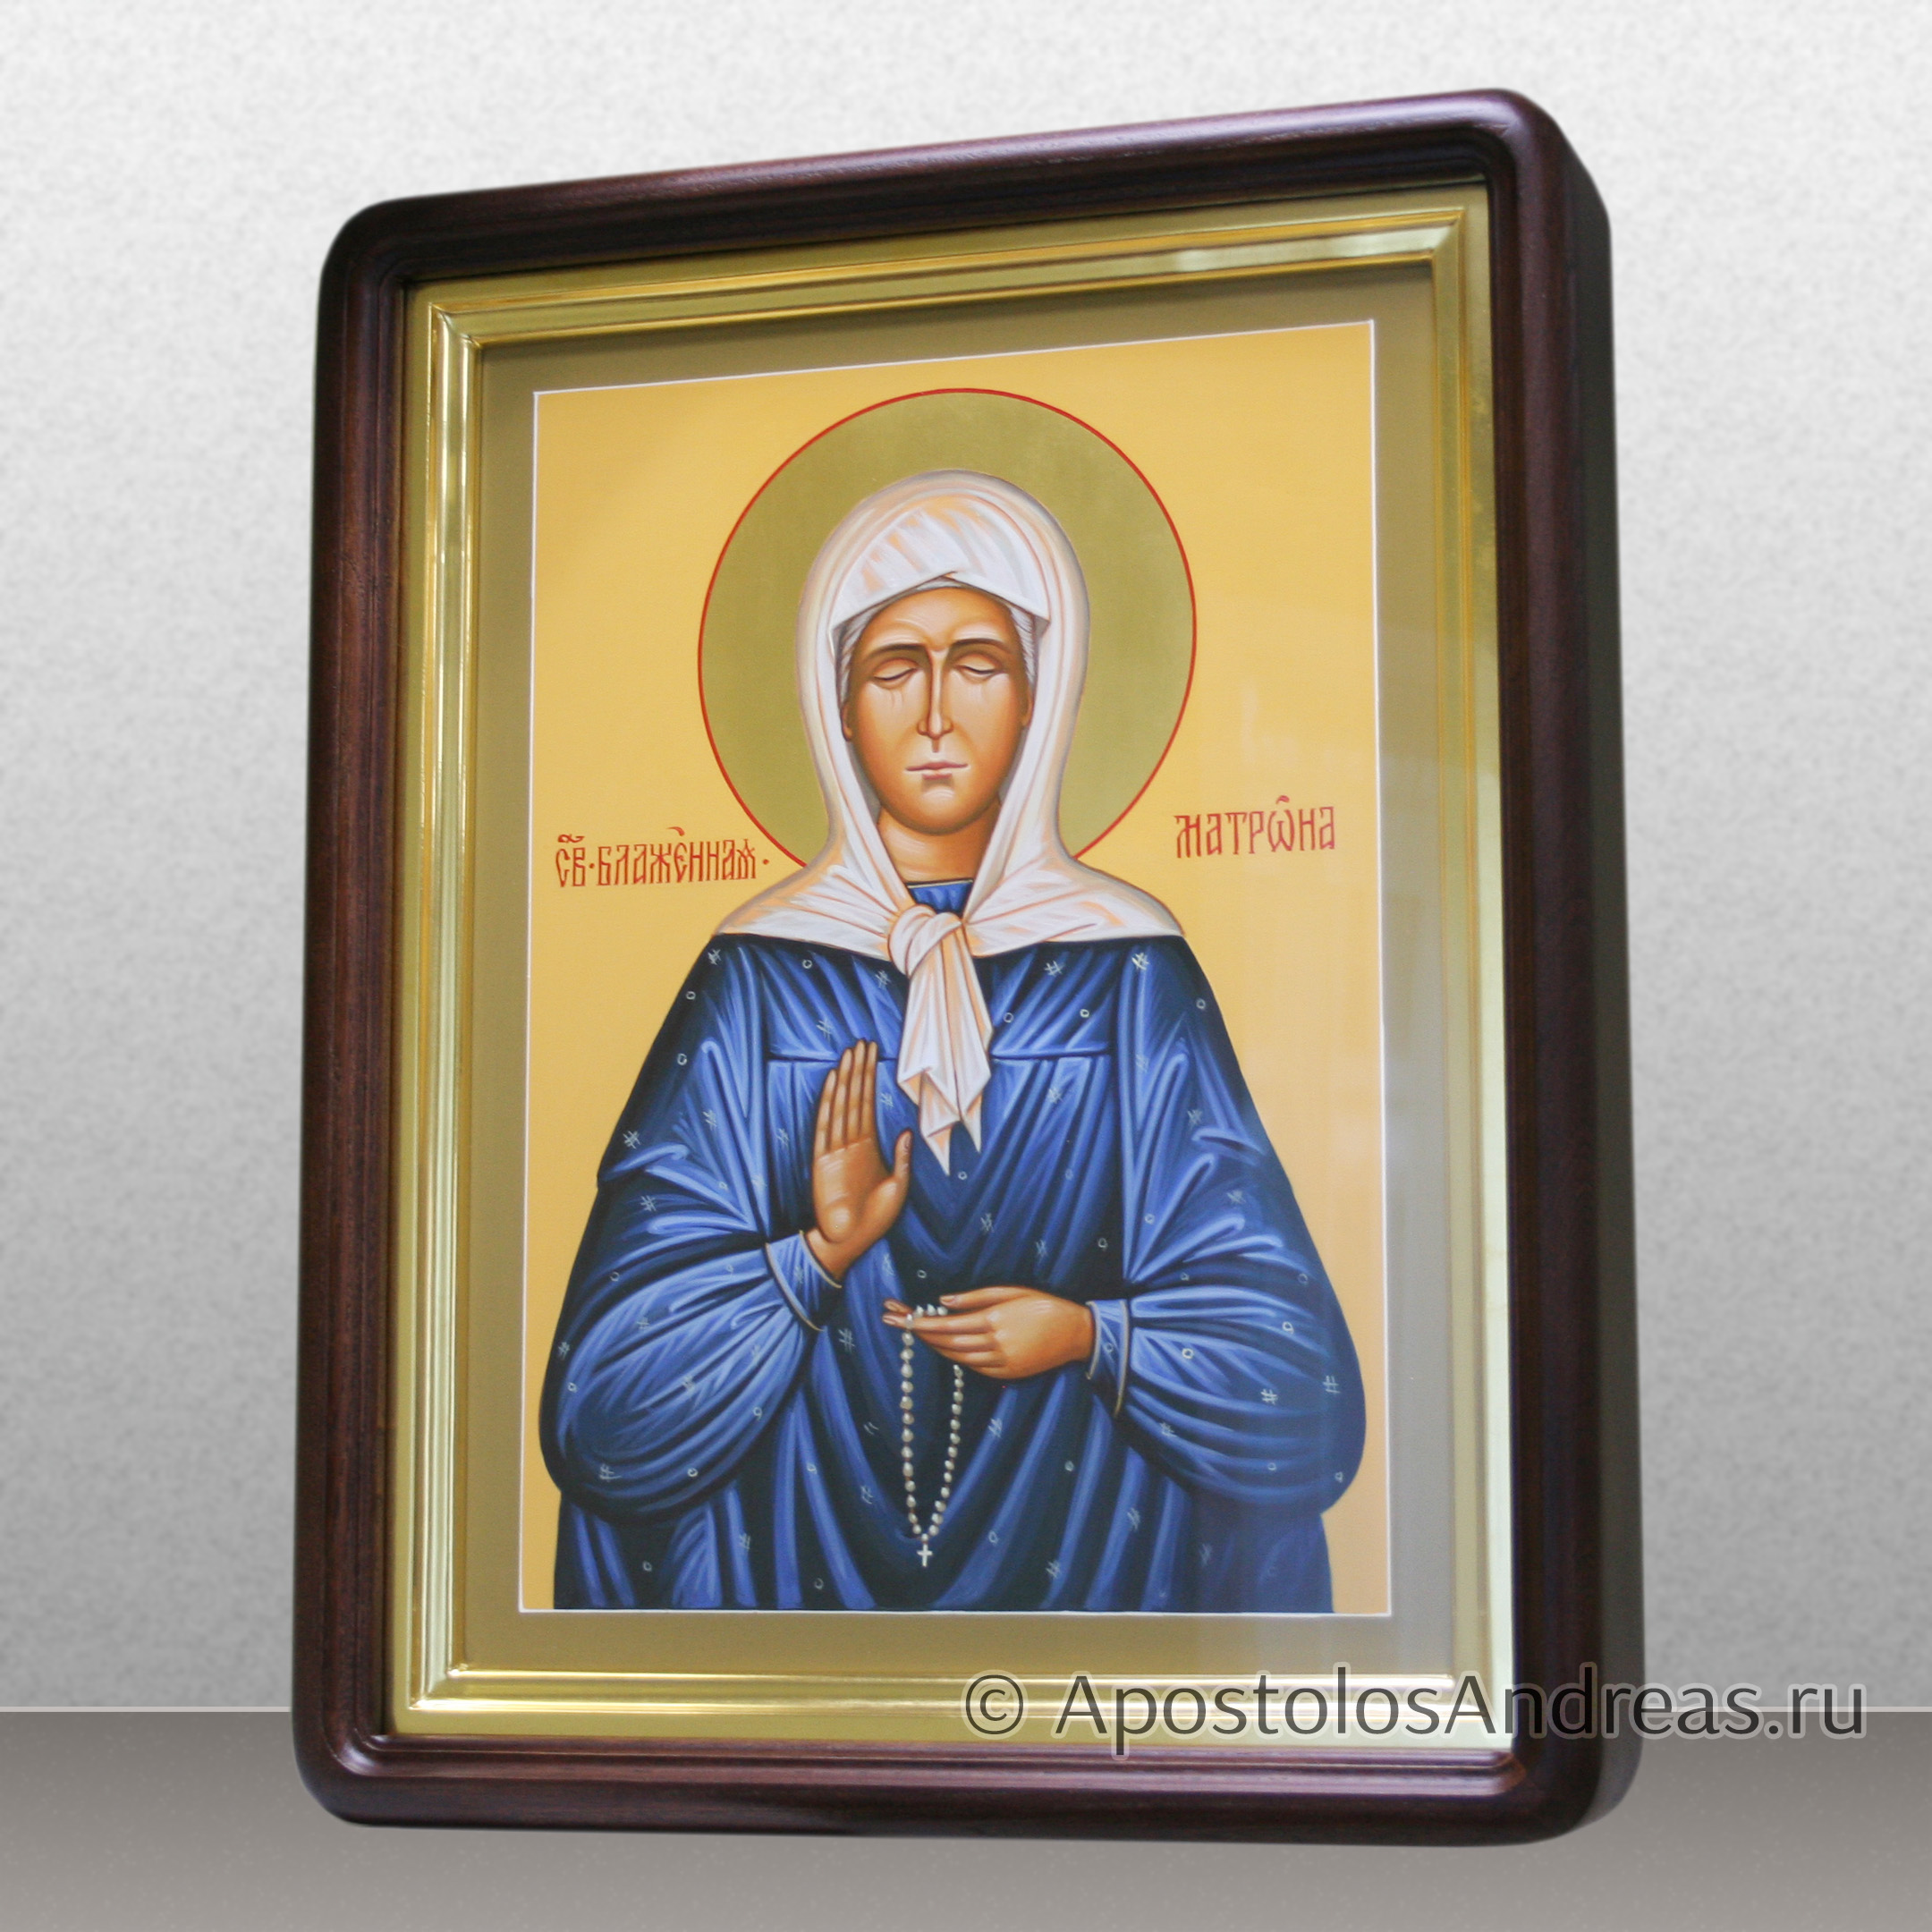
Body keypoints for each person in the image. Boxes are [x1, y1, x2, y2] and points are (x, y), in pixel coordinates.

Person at [540, 470, 1364, 1611]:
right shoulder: (757, 977)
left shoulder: (1129, 967)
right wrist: (815, 1256)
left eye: (978, 664)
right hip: (786, 1567)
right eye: (893, 668)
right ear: (836, 704)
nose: (935, 714)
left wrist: (1091, 1337)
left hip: (1099, 1572)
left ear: (1038, 696)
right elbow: (602, 1406)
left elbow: (1300, 1388)